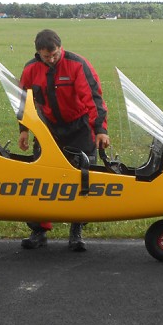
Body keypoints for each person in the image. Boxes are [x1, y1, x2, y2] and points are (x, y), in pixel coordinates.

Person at [17, 29, 110, 252]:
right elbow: (23, 100)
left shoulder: (77, 65)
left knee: (82, 177)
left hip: (79, 126)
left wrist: (100, 129)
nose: (51, 59)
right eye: (46, 56)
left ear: (60, 48)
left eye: (55, 55)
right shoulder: (31, 68)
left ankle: (76, 230)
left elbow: (93, 97)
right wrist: (24, 130)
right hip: (48, 127)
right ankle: (38, 230)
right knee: (40, 176)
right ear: (38, 52)